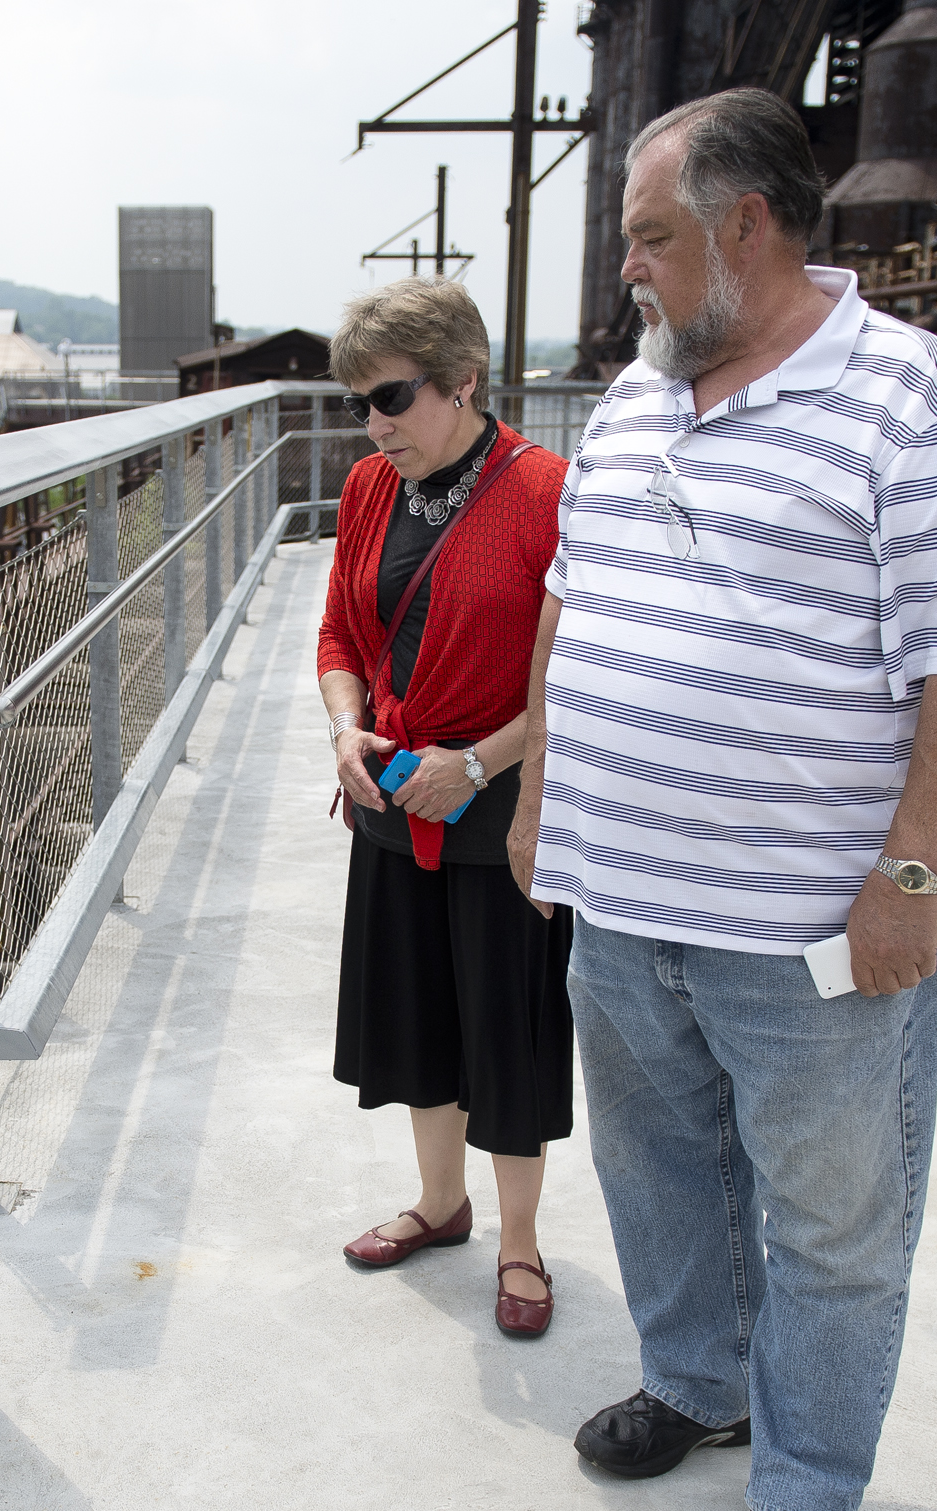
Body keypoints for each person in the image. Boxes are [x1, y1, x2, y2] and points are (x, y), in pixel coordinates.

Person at [507, 90, 937, 1511]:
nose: (633, 274)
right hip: (625, 903)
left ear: (746, 227)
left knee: (830, 1226)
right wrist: (544, 797)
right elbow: (571, 599)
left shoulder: (909, 398)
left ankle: (803, 1493)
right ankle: (697, 1384)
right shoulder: (634, 397)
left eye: (651, 240)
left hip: (808, 932)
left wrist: (913, 878)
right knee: (657, 1177)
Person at [317, 276, 575, 1338]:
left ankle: (520, 1242)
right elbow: (339, 634)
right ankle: (441, 1204)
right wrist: (345, 726)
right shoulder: (371, 489)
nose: (374, 426)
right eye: (358, 405)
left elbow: (573, 672)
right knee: (419, 1016)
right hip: (390, 798)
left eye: (392, 398)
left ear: (463, 382)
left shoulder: (548, 490)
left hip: (501, 809)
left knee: (506, 1027)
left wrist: (475, 765)